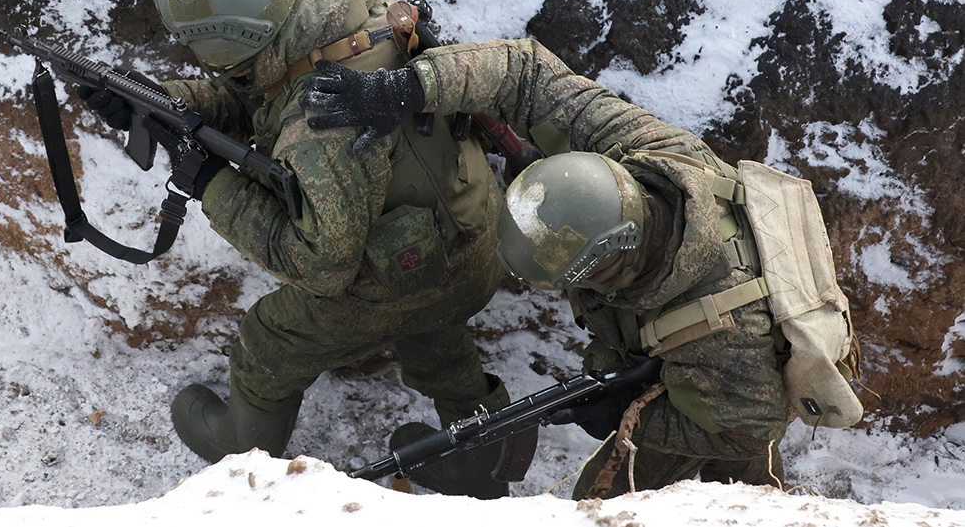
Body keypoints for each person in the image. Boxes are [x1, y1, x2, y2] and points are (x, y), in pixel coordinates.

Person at [81, 0, 512, 499]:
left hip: (408, 273)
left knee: (269, 339)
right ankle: (483, 459)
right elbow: (263, 96)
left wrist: (211, 183)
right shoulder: (344, 15)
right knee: (436, 337)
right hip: (475, 235)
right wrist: (159, 99)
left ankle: (238, 446)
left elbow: (324, 266)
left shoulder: (321, 127)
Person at [299, 38, 808, 498]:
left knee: (601, 503)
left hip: (737, 376)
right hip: (699, 352)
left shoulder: (724, 329)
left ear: (609, 269)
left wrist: (631, 413)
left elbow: (754, 423)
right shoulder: (637, 146)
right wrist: (408, 88)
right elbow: (524, 71)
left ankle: (758, 498)